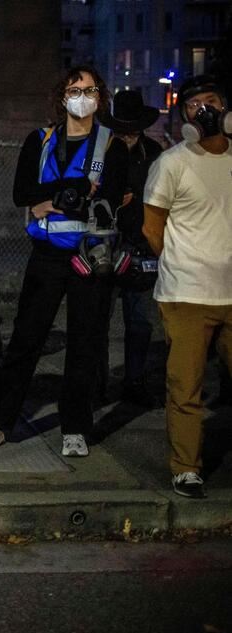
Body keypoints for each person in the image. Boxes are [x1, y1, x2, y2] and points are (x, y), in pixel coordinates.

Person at [0, 66, 126, 458]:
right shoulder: (39, 140)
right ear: (62, 97)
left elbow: (106, 197)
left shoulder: (111, 146)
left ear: (100, 96)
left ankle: (75, 426)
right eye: (75, 89)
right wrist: (68, 191)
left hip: (90, 256)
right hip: (47, 257)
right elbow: (23, 193)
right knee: (26, 340)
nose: (82, 96)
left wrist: (50, 201)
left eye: (90, 90)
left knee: (84, 344)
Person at [141, 75, 232, 499]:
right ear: (184, 117)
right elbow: (151, 228)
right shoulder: (172, 163)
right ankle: (186, 468)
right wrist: (182, 265)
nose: (203, 111)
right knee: (186, 386)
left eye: (211, 102)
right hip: (186, 295)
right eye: (194, 106)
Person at [99, 89, 163, 408]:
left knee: (139, 322)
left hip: (140, 245)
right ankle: (96, 383)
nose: (126, 135)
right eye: (121, 128)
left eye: (131, 129)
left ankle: (134, 381)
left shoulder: (154, 153)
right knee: (98, 319)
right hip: (104, 246)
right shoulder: (100, 151)